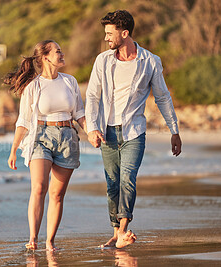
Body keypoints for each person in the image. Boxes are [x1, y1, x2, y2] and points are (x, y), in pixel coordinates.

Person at [85, 10, 182, 248]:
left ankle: (125, 229)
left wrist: (174, 129)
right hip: (107, 131)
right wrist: (92, 128)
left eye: (110, 33)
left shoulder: (150, 61)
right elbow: (92, 95)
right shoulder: (103, 60)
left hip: (134, 133)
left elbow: (162, 97)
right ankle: (117, 232)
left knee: (128, 179)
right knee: (112, 183)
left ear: (124, 33)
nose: (107, 38)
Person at [6, 40, 86, 251]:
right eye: (57, 51)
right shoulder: (33, 87)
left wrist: (93, 133)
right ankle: (33, 238)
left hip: (68, 138)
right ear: (45, 57)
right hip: (40, 136)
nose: (62, 54)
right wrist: (14, 149)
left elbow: (79, 113)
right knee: (39, 187)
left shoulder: (70, 81)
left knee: (57, 195)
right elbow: (23, 121)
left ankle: (50, 242)